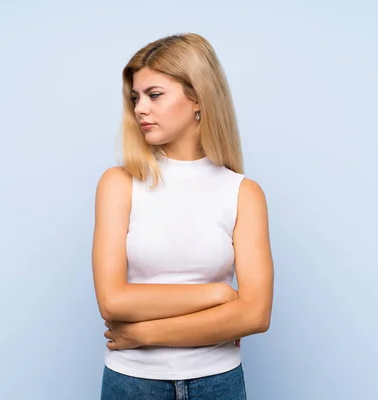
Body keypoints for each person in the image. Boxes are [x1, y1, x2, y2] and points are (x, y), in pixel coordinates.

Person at [91, 32, 274, 400]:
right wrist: (220, 294)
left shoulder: (242, 192)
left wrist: (143, 333)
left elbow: (255, 315)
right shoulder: (119, 184)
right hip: (133, 383)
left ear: (197, 98)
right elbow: (112, 301)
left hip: (217, 382)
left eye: (154, 94)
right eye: (135, 98)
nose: (141, 108)